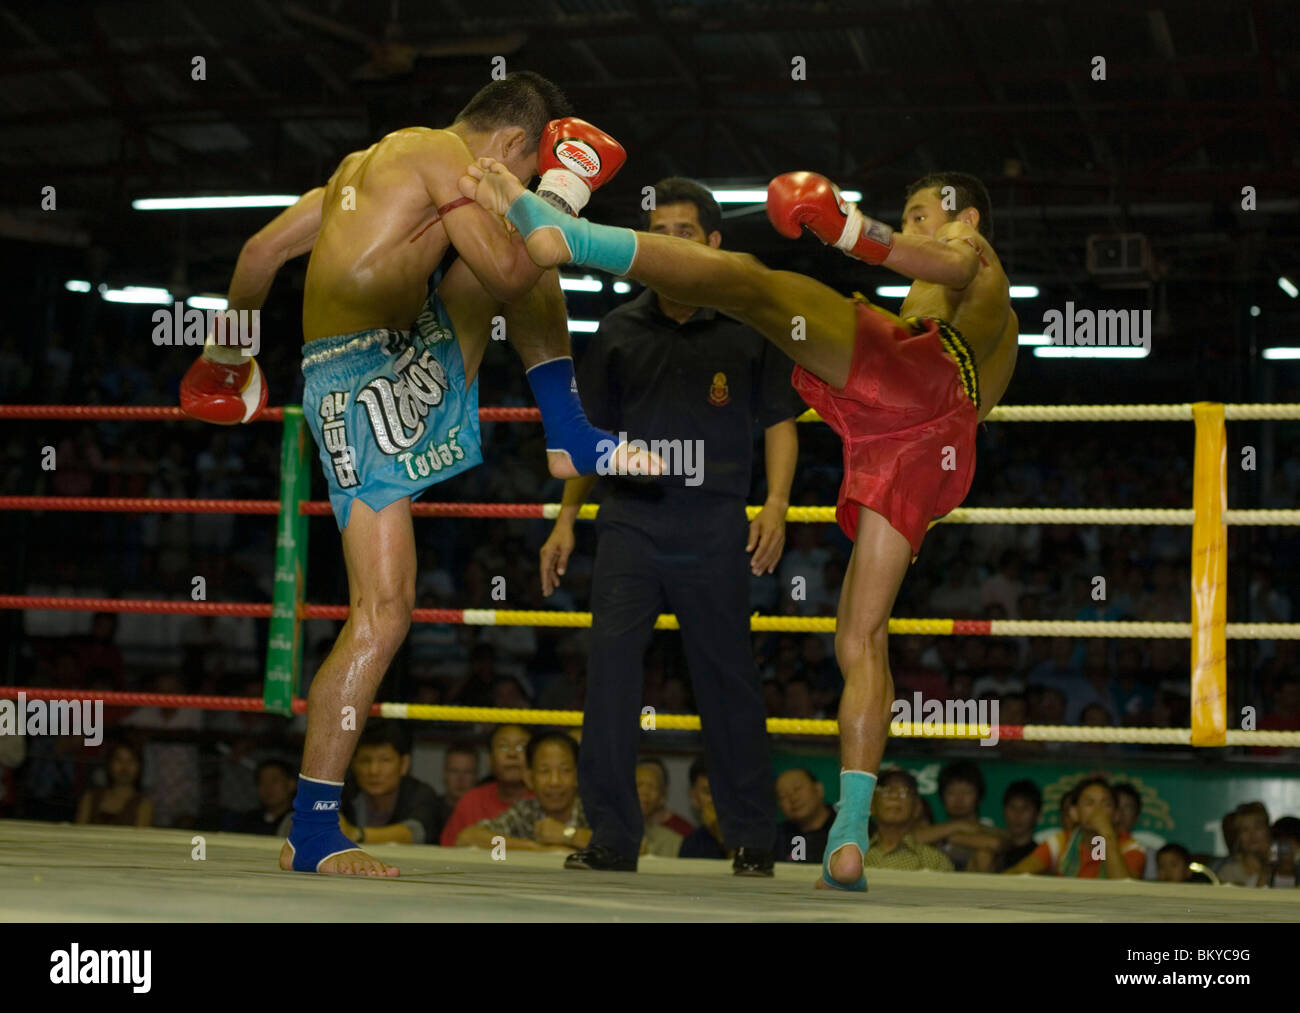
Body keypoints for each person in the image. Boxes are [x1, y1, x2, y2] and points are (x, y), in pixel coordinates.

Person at [464, 156, 1019, 892]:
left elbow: (933, 256)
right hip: (924, 446)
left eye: (922, 211)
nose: (915, 225)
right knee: (860, 638)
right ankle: (848, 835)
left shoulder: (974, 254)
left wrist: (849, 227)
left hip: (916, 383)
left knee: (751, 283)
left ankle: (572, 235)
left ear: (966, 215)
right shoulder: (971, 321)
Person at [180, 72, 660, 877]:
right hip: (366, 384)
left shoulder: (360, 167)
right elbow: (514, 274)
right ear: (512, 145)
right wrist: (564, 189)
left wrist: (226, 358)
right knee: (382, 614)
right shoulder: (442, 155)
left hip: (361, 372)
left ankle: (568, 433)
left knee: (520, 246)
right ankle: (316, 828)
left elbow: (259, 253)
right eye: (520, 165)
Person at [539, 177, 801, 876]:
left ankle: (752, 837)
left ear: (715, 244)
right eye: (657, 232)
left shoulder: (750, 323)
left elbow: (779, 419)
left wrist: (774, 505)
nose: (667, 243)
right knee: (612, 678)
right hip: (628, 521)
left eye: (683, 233)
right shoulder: (620, 328)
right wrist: (566, 517)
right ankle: (612, 838)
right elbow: (587, 432)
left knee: (729, 681)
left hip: (716, 521)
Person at [455, 732, 590, 851]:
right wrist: (537, 849)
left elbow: (610, 843)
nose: (554, 782)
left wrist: (568, 835)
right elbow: (467, 838)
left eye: (565, 770)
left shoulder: (593, 809)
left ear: (579, 776)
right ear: (529, 779)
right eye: (544, 771)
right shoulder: (526, 811)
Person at [1003, 777, 1144, 879]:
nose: (1098, 811)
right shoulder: (1061, 842)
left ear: (1116, 814)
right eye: (1089, 803)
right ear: (1074, 813)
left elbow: (1125, 890)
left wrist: (1106, 834)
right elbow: (1018, 873)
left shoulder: (1131, 847)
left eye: (1106, 804)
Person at [340, 720, 446, 846]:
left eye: (385, 760)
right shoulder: (343, 792)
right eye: (365, 760)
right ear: (353, 764)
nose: (373, 771)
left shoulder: (421, 793)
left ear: (404, 764)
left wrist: (356, 834)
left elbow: (414, 833)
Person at [440, 724, 533, 845]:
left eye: (521, 747)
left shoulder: (547, 800)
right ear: (490, 760)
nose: (512, 754)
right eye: (503, 747)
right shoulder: (471, 801)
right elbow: (449, 854)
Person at [859, 768, 954, 872]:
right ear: (871, 805)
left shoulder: (935, 861)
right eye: (886, 791)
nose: (894, 796)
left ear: (917, 807)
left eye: (904, 791)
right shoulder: (855, 854)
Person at [75, 740, 153, 828]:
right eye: (119, 760)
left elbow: (140, 838)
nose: (124, 767)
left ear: (139, 766)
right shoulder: (90, 798)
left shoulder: (144, 805)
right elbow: (78, 833)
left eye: (131, 761)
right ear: (109, 764)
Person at [775, 768, 834, 864]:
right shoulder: (776, 838)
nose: (793, 798)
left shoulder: (847, 828)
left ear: (819, 789)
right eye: (783, 795)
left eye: (797, 788)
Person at [635, 758, 690, 856]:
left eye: (652, 787)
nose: (644, 792)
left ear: (662, 796)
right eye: (639, 785)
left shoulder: (675, 841)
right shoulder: (607, 832)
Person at [229, 760, 297, 836]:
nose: (267, 787)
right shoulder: (248, 820)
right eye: (262, 782)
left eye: (274, 780)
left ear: (291, 784)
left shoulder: (299, 821)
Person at [995, 779, 1042, 871]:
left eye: (1025, 808)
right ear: (1004, 812)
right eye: (1012, 807)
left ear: (1038, 815)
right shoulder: (995, 852)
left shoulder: (1041, 855)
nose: (1018, 814)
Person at [442, 741, 479, 812]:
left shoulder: (484, 813)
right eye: (454, 771)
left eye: (467, 772)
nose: (460, 778)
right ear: (445, 774)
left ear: (476, 776)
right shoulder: (430, 810)